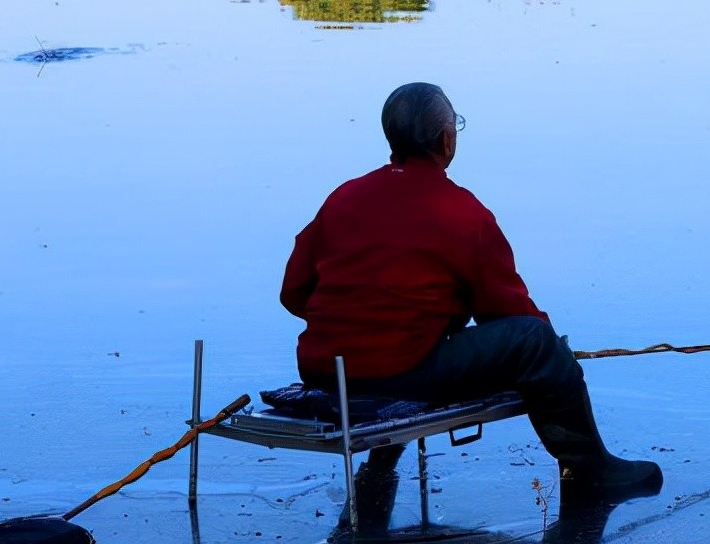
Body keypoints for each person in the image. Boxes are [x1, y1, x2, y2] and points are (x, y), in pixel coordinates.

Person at [280, 82, 662, 504]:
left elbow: (293, 292)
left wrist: (360, 322)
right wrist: (557, 352)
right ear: (446, 140)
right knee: (534, 341)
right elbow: (504, 310)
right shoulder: (462, 212)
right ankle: (592, 470)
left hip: (322, 368)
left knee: (417, 335)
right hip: (399, 369)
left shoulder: (343, 197)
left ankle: (380, 465)